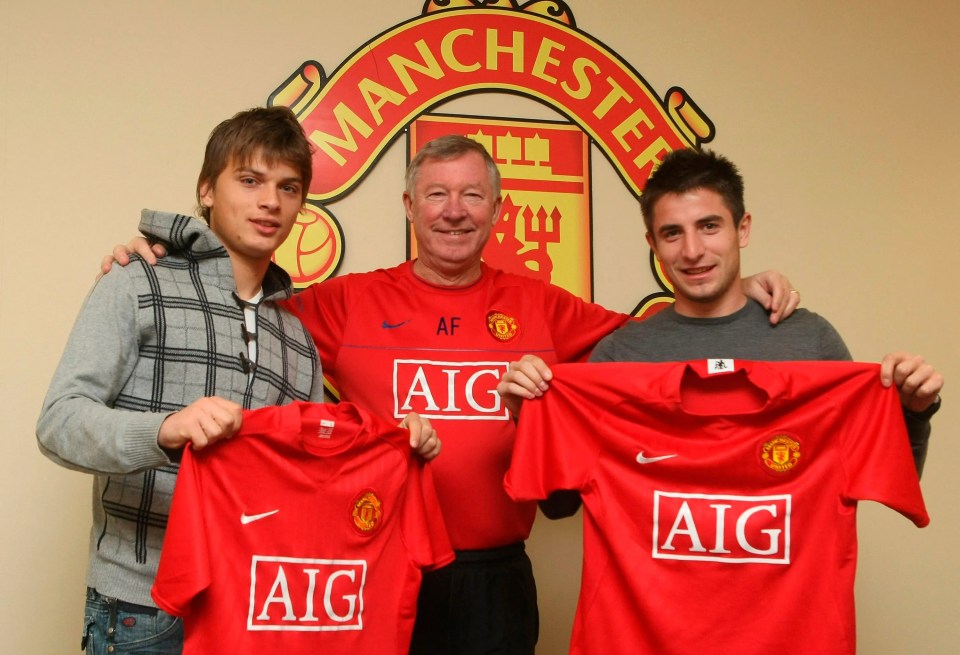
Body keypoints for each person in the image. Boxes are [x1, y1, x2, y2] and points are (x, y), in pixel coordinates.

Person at [104, 136, 800, 655]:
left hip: (492, 581)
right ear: (411, 205)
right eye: (436, 193)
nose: (454, 211)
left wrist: (740, 291)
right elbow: (242, 301)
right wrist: (165, 252)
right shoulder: (348, 302)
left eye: (473, 194)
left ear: (499, 207)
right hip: (370, 566)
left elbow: (663, 343)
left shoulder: (543, 305)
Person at [37, 106, 438, 655]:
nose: (270, 201)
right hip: (140, 610)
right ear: (207, 190)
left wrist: (398, 447)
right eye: (249, 181)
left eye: (288, 187)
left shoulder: (297, 336)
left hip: (252, 615)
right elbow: (59, 423)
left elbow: (310, 477)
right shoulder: (135, 283)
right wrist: (165, 430)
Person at [499, 147, 942, 473]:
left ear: (741, 228)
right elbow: (560, 504)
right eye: (672, 233)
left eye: (709, 226)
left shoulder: (810, 341)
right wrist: (527, 415)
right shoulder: (620, 355)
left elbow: (884, 474)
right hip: (651, 602)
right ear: (652, 244)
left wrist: (912, 410)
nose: (693, 251)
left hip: (786, 601)